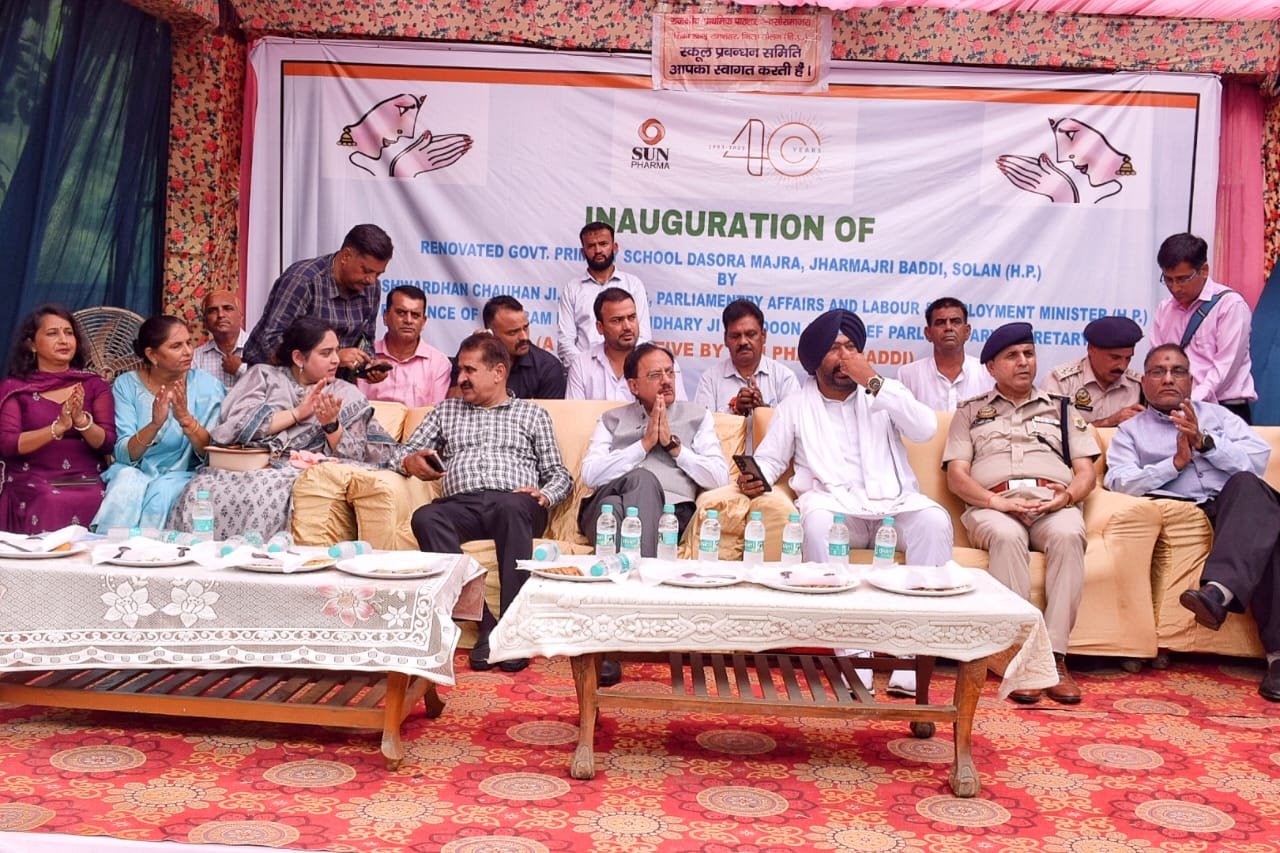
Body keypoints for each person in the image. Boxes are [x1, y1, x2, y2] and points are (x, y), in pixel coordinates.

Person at [737, 309, 952, 699]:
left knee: (934, 521)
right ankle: (854, 659)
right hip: (837, 510)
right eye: (835, 349)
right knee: (815, 522)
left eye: (851, 347)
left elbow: (925, 428)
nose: (845, 357)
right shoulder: (796, 405)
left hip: (893, 508)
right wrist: (755, 477)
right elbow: (770, 459)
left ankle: (909, 656)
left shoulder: (882, 392)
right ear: (816, 359)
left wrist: (874, 382)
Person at [1103, 344, 1278, 701]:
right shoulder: (1131, 431)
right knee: (1268, 535)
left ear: (1191, 381)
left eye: (1178, 371)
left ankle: (1217, 593)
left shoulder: (1219, 417)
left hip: (1237, 502)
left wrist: (1206, 443)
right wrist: (1173, 465)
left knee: (1247, 487)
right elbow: (1119, 481)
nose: (1168, 378)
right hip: (1189, 508)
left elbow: (1256, 462)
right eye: (1158, 372)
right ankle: (1278, 658)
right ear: (1144, 382)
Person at [393, 333, 572, 674]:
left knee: (510, 507)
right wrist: (409, 462)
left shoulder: (532, 414)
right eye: (459, 370)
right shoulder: (446, 411)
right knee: (426, 517)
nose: (461, 378)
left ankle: (514, 627)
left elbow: (559, 473)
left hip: (516, 504)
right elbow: (401, 453)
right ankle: (487, 625)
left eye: (470, 370)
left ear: (498, 372)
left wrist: (546, 495)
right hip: (462, 504)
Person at [943, 322, 1099, 705]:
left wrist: (1065, 498)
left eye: (1028, 353)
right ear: (991, 367)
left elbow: (1086, 473)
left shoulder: (1063, 409)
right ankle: (1021, 657)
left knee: (1069, 533)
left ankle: (1055, 658)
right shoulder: (969, 412)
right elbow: (957, 477)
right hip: (993, 505)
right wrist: (996, 502)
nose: (1023, 361)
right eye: (1012, 356)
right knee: (1007, 534)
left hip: (1052, 502)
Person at [579, 342, 729, 687]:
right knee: (636, 484)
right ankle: (642, 605)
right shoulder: (612, 419)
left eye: (670, 373)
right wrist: (643, 445)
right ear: (633, 385)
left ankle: (609, 644)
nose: (666, 381)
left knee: (620, 511)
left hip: (667, 517)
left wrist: (675, 448)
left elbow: (718, 477)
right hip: (601, 509)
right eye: (655, 375)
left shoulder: (697, 416)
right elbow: (590, 475)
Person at [169, 318, 398, 539]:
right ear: (298, 357)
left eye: (336, 351)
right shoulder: (264, 376)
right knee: (201, 487)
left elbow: (354, 456)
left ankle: (260, 555)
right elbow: (235, 427)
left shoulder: (345, 393)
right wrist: (297, 413)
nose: (336, 360)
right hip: (247, 463)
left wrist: (331, 425)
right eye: (326, 353)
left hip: (297, 472)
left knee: (267, 488)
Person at [93, 316, 225, 531]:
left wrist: (186, 420)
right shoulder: (126, 385)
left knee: (161, 493)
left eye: (189, 343)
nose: (188, 352)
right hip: (135, 470)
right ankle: (110, 546)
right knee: (126, 483)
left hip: (185, 473)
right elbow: (124, 455)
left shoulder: (207, 387)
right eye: (176, 346)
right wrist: (154, 424)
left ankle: (149, 549)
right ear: (152, 354)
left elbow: (213, 453)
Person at [0, 305, 115, 533]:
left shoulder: (94, 385)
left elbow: (107, 443)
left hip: (86, 478)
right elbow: (7, 444)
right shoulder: (16, 388)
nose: (64, 340)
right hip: (33, 477)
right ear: (32, 344)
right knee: (51, 498)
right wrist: (58, 427)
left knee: (100, 495)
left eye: (68, 333)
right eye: (52, 333)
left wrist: (82, 422)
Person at [242, 224, 395, 382]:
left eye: (378, 274)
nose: (371, 280)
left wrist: (368, 365)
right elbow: (270, 343)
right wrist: (333, 356)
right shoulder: (303, 280)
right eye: (367, 270)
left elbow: (366, 339)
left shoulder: (371, 288)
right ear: (346, 256)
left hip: (334, 384)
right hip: (276, 380)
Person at [1151, 232, 1256, 423]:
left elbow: (1225, 367)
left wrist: (1189, 401)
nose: (1175, 288)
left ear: (1204, 270)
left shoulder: (1230, 305)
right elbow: (1158, 360)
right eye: (1168, 279)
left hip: (1223, 408)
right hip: (1176, 408)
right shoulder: (1165, 309)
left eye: (1183, 279)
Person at [556, 221, 652, 368]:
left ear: (615, 247)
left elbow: (643, 337)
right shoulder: (572, 289)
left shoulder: (633, 285)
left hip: (626, 371)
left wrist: (624, 367)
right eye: (591, 246)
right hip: (584, 373)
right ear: (583, 252)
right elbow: (565, 343)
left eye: (603, 244)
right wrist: (585, 369)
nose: (598, 250)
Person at [566, 288, 685, 402]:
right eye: (617, 320)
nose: (627, 327)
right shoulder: (581, 365)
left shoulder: (663, 361)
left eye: (632, 317)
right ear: (600, 327)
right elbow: (574, 414)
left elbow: (678, 410)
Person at [693, 298, 800, 415]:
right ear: (725, 339)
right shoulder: (710, 380)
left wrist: (763, 411)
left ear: (763, 336)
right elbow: (702, 424)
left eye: (750, 334)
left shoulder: (784, 378)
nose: (743, 342)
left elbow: (794, 422)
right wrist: (735, 411)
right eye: (735, 336)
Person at [356, 285, 450, 407]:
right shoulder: (363, 356)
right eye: (401, 313)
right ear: (385, 317)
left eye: (415, 315)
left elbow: (437, 412)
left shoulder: (439, 364)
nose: (408, 320)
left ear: (423, 322)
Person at [1043, 315, 1144, 426]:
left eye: (1128, 358)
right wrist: (1108, 422)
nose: (1122, 366)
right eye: (1115, 357)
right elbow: (1049, 429)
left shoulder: (1138, 385)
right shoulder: (1062, 382)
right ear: (1091, 349)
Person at [896, 297, 993, 411]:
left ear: (967, 331)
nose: (948, 328)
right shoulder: (908, 375)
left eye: (955, 322)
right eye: (940, 323)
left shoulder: (988, 373)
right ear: (928, 333)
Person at [483, 295, 565, 399]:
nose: (524, 337)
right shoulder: (475, 361)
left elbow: (549, 410)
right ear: (491, 334)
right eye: (513, 332)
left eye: (525, 328)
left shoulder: (547, 368)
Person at [192, 289, 249, 388]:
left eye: (227, 308)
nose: (220, 315)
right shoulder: (196, 358)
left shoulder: (262, 349)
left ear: (241, 316)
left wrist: (241, 369)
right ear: (205, 322)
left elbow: (274, 387)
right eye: (212, 311)